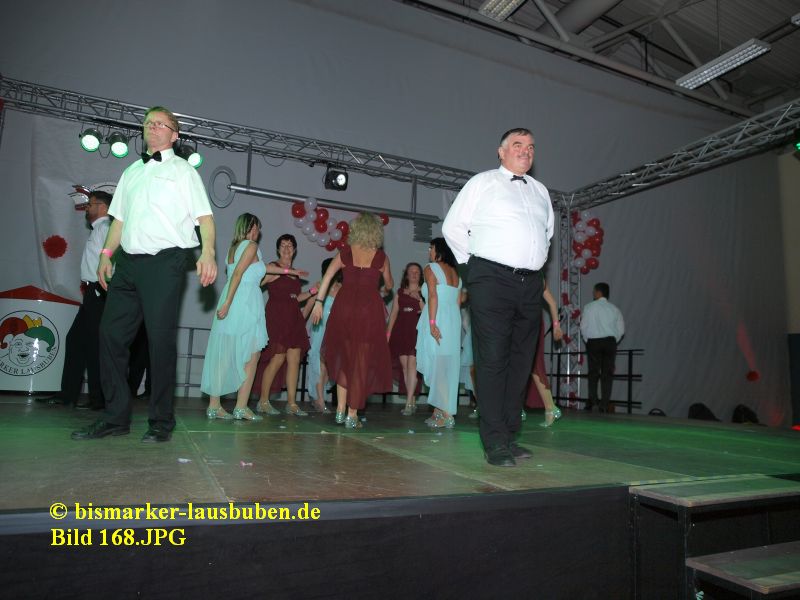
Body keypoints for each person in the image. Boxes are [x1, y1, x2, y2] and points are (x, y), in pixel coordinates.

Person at [72, 106, 217, 442]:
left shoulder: (183, 171)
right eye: (148, 122)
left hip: (165, 262)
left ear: (174, 135)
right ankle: (115, 417)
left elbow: (205, 218)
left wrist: (208, 252)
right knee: (109, 335)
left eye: (160, 123)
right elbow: (119, 221)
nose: (152, 127)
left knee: (160, 340)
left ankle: (161, 421)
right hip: (127, 264)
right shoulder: (131, 172)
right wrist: (106, 255)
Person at [442, 127, 554, 467]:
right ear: (501, 152)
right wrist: (473, 270)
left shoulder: (540, 191)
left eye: (531, 146)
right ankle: (493, 441)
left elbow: (547, 234)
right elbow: (452, 227)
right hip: (491, 278)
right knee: (492, 360)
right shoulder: (483, 182)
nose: (526, 151)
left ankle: (508, 435)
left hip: (530, 284)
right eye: (518, 145)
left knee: (521, 362)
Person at [202, 215, 307, 421]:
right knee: (252, 355)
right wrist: (228, 303)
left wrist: (289, 270)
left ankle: (214, 406)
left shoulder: (234, 248)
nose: (259, 231)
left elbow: (262, 269)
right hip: (244, 301)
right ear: (251, 227)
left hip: (236, 298)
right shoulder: (251, 245)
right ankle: (241, 407)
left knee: (226, 354)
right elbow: (238, 274)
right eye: (257, 227)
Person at [311, 212, 393, 429]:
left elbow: (328, 276)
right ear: (376, 232)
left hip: (345, 308)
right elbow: (390, 285)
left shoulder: (345, 253)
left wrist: (319, 302)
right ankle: (352, 414)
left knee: (345, 359)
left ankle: (340, 410)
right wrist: (384, 286)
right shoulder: (380, 257)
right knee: (360, 363)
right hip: (367, 312)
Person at [40, 190, 112, 409]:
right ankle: (68, 395)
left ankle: (97, 399)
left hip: (99, 292)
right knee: (76, 341)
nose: (87, 208)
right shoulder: (100, 229)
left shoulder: (106, 229)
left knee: (94, 345)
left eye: (91, 204)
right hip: (93, 292)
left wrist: (104, 290)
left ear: (103, 207)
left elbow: (112, 263)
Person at [256, 234, 315, 417]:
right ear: (278, 249)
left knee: (294, 360)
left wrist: (313, 291)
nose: (286, 248)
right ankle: (263, 401)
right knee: (278, 358)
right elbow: (258, 282)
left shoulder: (295, 273)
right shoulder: (273, 267)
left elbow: (295, 298)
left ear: (294, 250)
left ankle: (292, 403)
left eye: (290, 245)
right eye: (283, 245)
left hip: (293, 318)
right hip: (277, 317)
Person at [416, 238, 462, 429]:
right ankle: (439, 410)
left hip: (437, 317)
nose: (429, 251)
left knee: (437, 366)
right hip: (453, 320)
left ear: (439, 250)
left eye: (431, 247)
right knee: (446, 365)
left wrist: (433, 323)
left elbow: (433, 295)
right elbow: (458, 302)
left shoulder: (431, 268)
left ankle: (447, 414)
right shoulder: (456, 273)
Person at [304, 258, 341, 413]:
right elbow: (308, 307)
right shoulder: (320, 286)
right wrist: (299, 325)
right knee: (319, 366)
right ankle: (320, 399)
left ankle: (318, 397)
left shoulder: (343, 288)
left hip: (335, 332)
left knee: (328, 367)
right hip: (320, 330)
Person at [580, 282, 624, 413]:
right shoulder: (615, 309)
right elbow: (621, 330)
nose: (593, 293)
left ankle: (593, 402)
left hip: (593, 342)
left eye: (594, 291)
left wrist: (588, 340)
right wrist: (613, 340)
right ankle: (604, 404)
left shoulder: (589, 307)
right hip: (610, 342)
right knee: (607, 374)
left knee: (593, 373)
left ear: (598, 293)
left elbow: (583, 327)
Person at [386, 262, 424, 415]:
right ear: (406, 274)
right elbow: (393, 314)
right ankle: (412, 401)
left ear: (420, 275)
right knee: (405, 368)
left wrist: (419, 299)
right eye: (411, 271)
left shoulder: (425, 291)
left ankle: (408, 403)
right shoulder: (400, 292)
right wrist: (388, 335)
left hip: (416, 332)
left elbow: (429, 313)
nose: (414, 274)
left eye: (417, 272)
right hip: (401, 331)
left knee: (412, 366)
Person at [525, 278, 564, 427]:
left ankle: (550, 407)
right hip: (515, 321)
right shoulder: (512, 270)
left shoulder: (536, 277)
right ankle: (514, 408)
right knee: (517, 366)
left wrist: (556, 326)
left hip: (531, 323)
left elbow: (552, 303)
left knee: (534, 366)